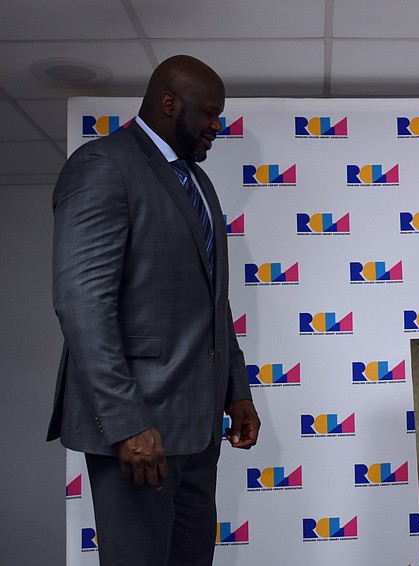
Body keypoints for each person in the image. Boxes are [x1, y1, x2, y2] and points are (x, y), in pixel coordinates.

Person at [47, 55, 261, 566]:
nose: (216, 126)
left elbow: (213, 299)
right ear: (169, 103)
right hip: (138, 435)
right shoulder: (102, 165)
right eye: (209, 114)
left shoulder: (198, 183)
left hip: (198, 430)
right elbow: (82, 303)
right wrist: (126, 424)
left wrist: (237, 392)